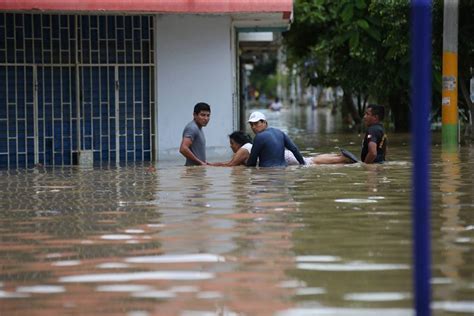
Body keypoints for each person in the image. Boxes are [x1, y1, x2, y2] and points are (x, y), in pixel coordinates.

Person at [285, 104, 387, 165]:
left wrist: (366, 166)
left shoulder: (372, 131)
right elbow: (383, 150)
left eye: (367, 114)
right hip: (379, 164)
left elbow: (373, 152)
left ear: (375, 117)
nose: (364, 117)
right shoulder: (381, 129)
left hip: (373, 167)